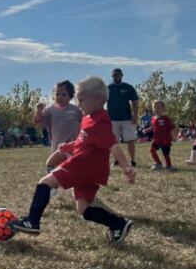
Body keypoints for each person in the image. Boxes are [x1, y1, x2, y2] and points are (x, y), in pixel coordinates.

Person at [9, 76, 136, 244]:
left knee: (45, 182)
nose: (79, 103)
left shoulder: (100, 121)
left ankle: (32, 221)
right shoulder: (88, 118)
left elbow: (114, 146)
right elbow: (86, 141)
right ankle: (118, 223)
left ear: (98, 100)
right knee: (83, 209)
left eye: (82, 99)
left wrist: (127, 167)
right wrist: (69, 146)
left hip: (82, 165)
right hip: (93, 171)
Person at [35, 80, 83, 171]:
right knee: (56, 166)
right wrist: (38, 111)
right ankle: (53, 181)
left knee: (73, 167)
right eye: (57, 94)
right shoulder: (51, 110)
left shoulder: (76, 110)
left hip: (73, 146)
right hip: (57, 146)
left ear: (70, 96)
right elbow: (38, 120)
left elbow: (85, 124)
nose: (60, 97)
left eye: (64, 95)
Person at [107, 68, 139, 166]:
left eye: (118, 75)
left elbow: (135, 101)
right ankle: (117, 160)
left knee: (130, 140)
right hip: (112, 119)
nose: (116, 77)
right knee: (114, 142)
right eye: (114, 75)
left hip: (127, 119)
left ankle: (132, 160)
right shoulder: (108, 88)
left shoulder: (128, 87)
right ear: (112, 77)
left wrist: (135, 115)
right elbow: (101, 101)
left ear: (122, 75)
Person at [143, 100, 176, 171]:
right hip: (156, 139)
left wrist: (173, 136)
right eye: (154, 107)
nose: (155, 109)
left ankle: (169, 165)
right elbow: (153, 127)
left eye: (158, 107)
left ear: (163, 109)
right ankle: (158, 163)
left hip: (165, 140)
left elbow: (171, 128)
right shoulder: (153, 118)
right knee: (152, 150)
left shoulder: (166, 118)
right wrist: (147, 130)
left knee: (165, 153)